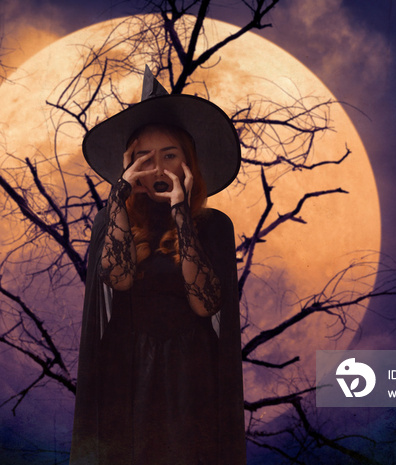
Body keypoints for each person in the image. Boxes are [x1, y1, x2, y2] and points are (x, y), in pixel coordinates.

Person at [70, 67, 246, 465]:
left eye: (170, 155)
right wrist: (120, 195)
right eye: (144, 158)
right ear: (129, 165)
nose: (158, 167)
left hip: (190, 374)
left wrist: (181, 211)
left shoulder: (214, 225)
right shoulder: (113, 219)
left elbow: (205, 303)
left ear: (188, 163)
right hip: (124, 371)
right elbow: (117, 277)